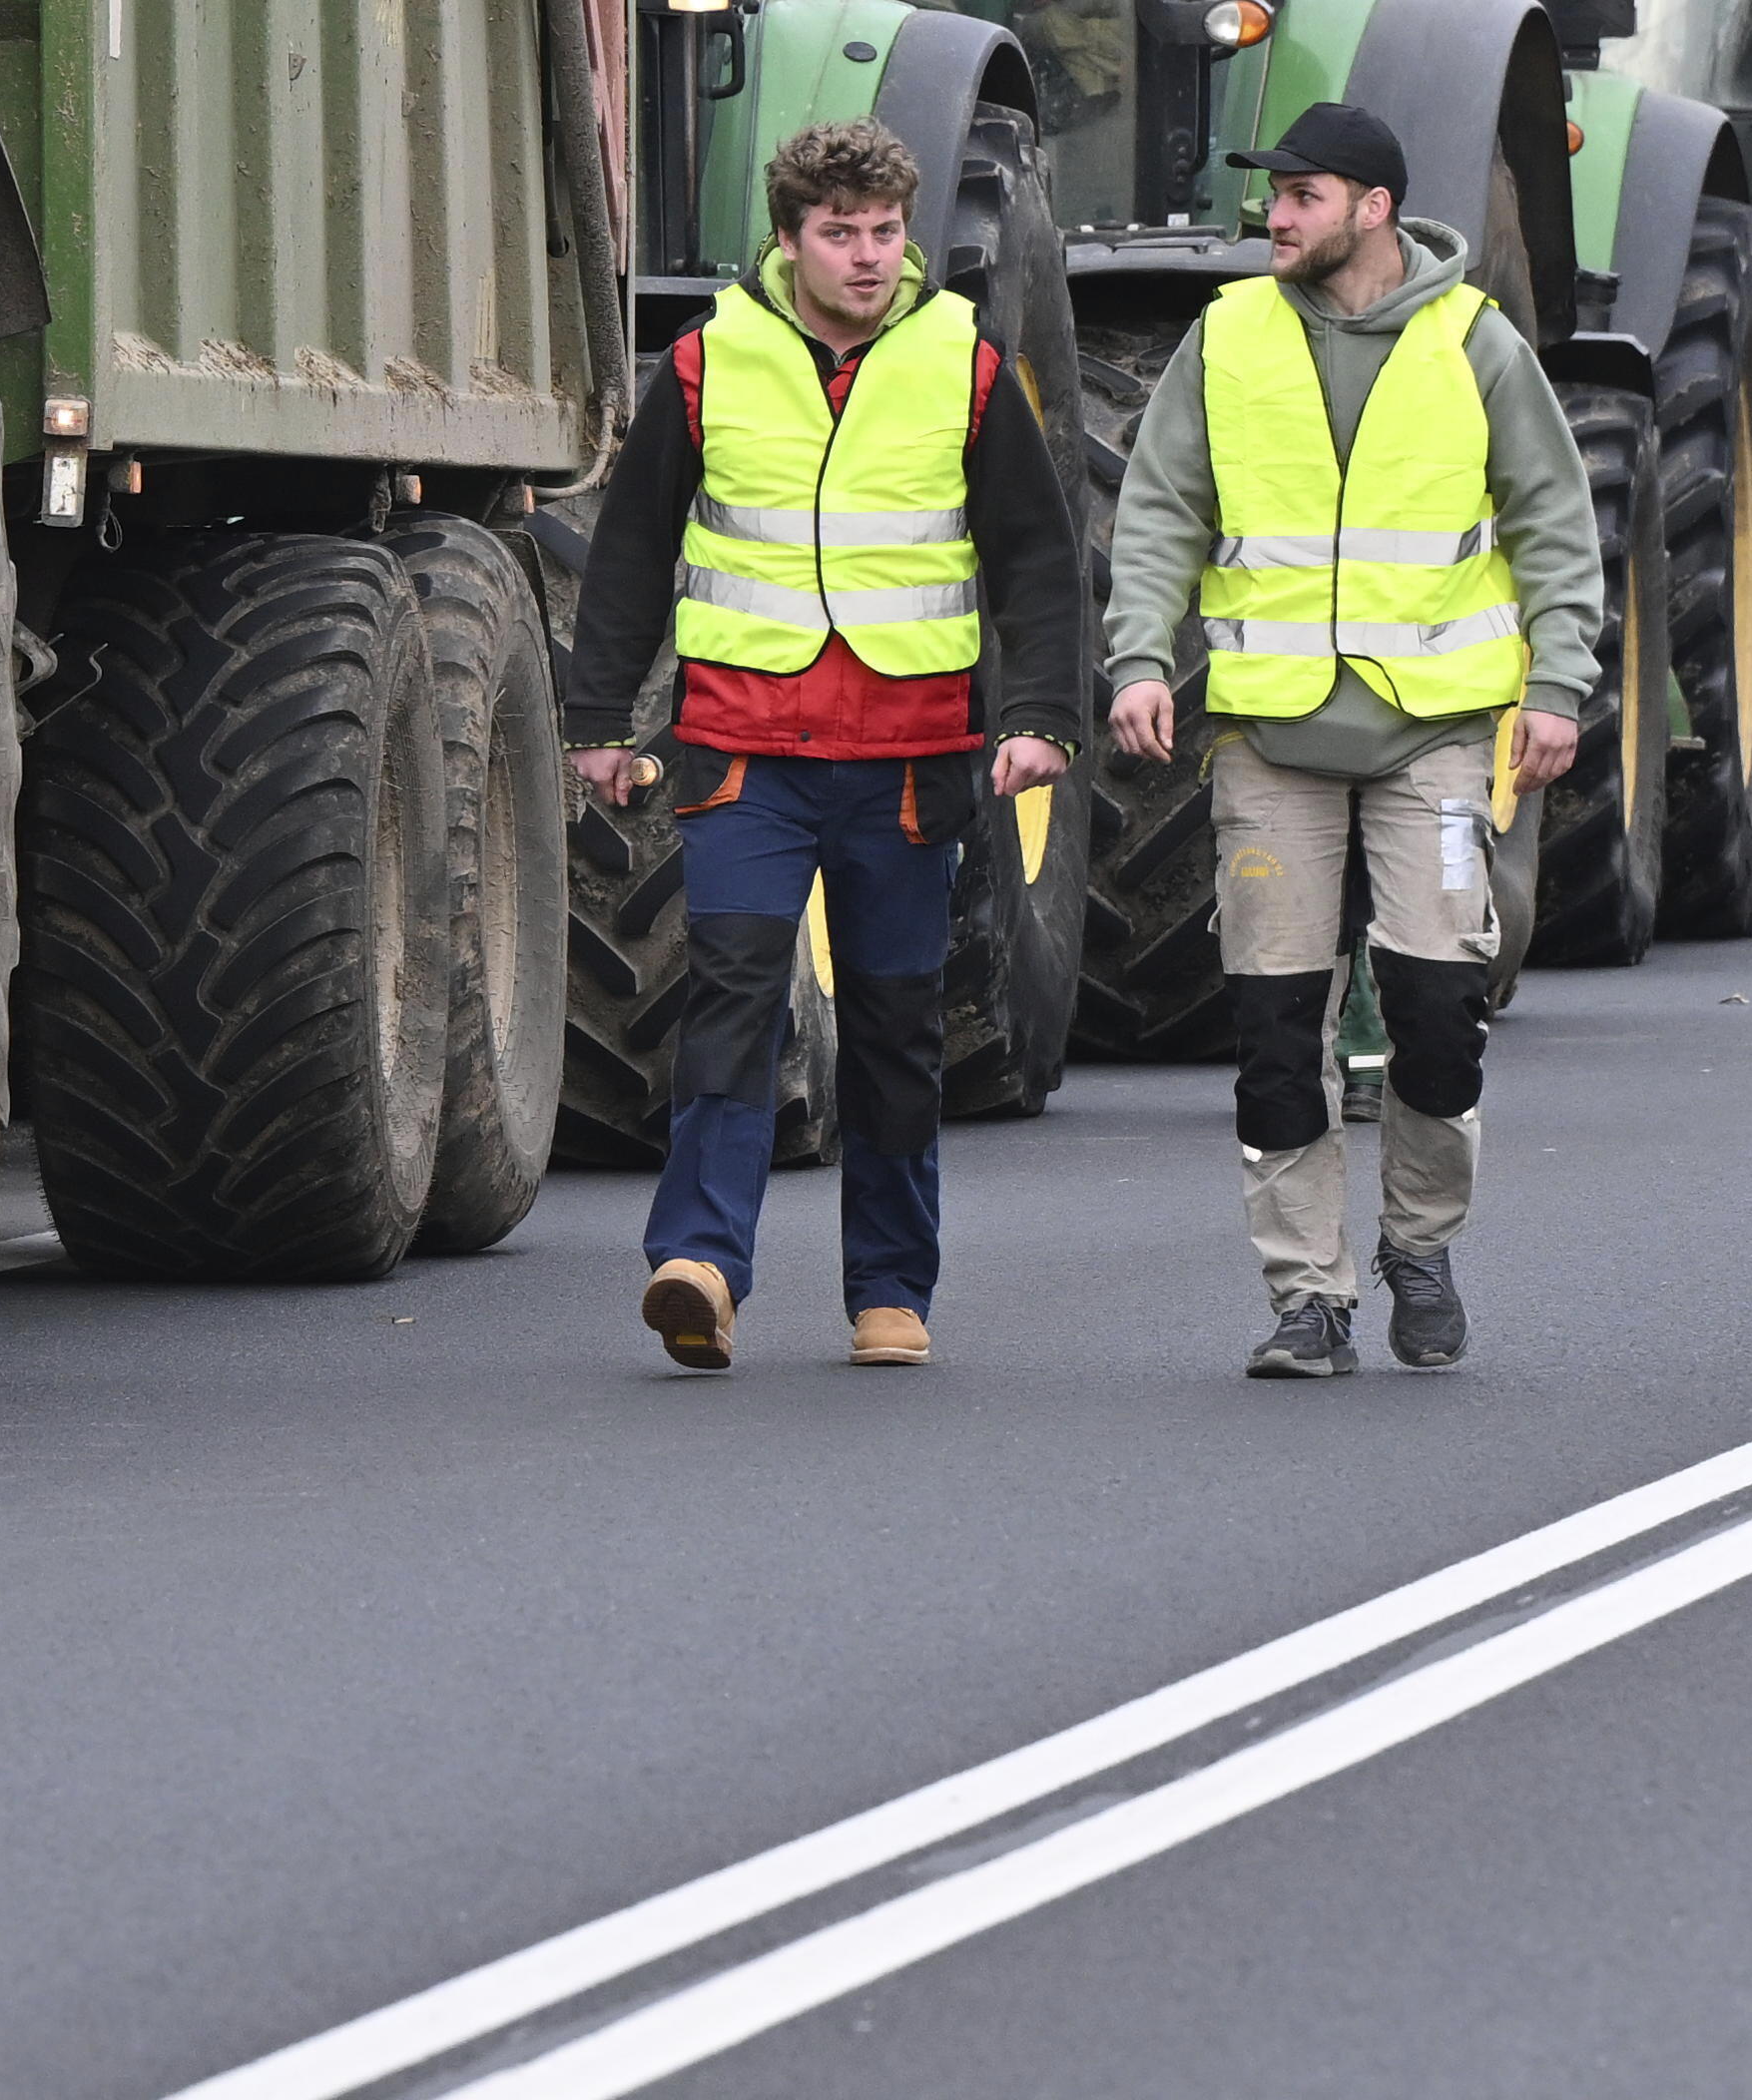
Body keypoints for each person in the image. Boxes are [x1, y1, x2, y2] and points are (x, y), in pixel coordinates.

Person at [556, 118, 1086, 1373]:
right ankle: (700, 1264)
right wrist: (596, 720)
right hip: (744, 752)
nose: (866, 255)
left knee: (898, 1026)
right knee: (732, 996)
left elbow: (1036, 556)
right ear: (788, 239)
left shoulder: (962, 361)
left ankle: (890, 1291)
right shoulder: (706, 363)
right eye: (839, 233)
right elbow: (630, 550)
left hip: (907, 762)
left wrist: (1042, 718)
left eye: (885, 231)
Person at [1101, 102, 1604, 1380]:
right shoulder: (1226, 336)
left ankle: (1418, 1246)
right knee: (1276, 1028)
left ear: (1373, 209)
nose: (1274, 216)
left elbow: (1552, 522)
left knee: (1437, 1006)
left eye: (1301, 196)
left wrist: (1557, 684)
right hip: (1270, 737)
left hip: (1434, 734)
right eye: (1273, 196)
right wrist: (1141, 657)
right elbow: (1159, 510)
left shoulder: (1473, 341)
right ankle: (1307, 1295)